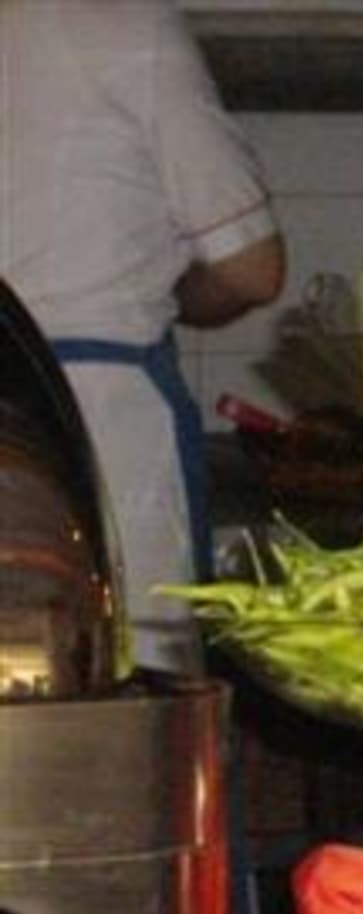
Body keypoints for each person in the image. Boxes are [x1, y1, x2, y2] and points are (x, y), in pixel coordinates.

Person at [0, 0, 284, 673]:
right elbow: (252, 270)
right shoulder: (126, 28)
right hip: (101, 425)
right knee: (125, 698)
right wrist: (164, 288)